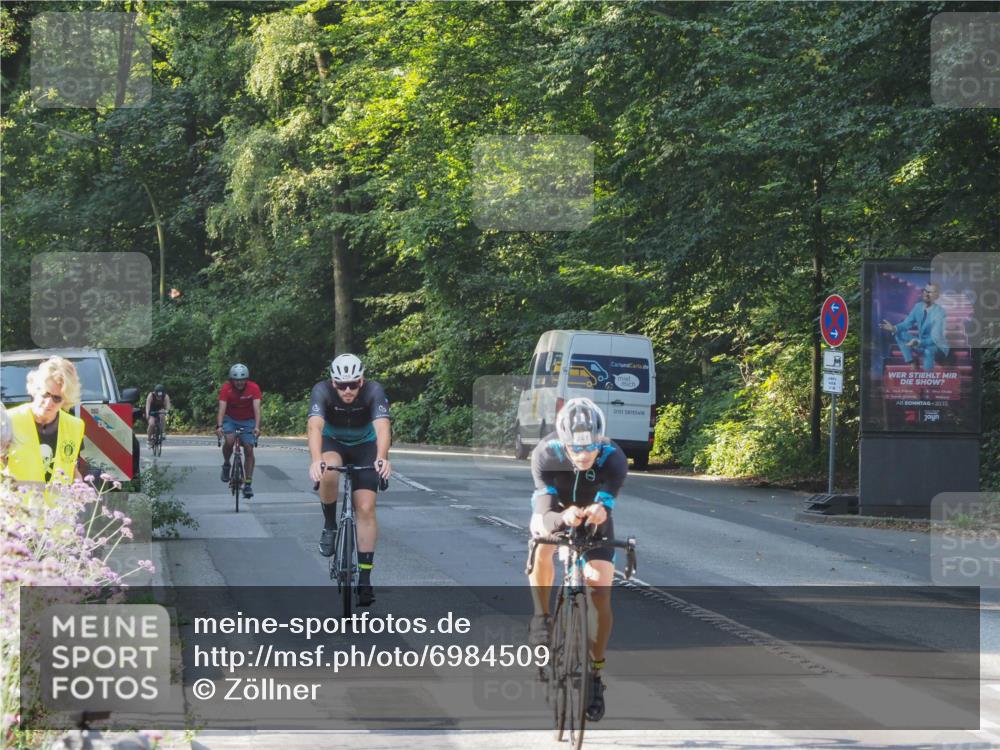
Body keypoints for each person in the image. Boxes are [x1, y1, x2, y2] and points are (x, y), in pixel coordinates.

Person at [526, 397, 627, 723]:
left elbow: (606, 502)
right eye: (575, 449)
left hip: (592, 517)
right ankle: (542, 617)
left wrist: (601, 509)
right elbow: (543, 511)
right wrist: (561, 517)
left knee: (600, 584)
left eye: (590, 448)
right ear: (563, 443)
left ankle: (595, 674)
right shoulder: (546, 453)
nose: (583, 456)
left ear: (601, 441)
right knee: (542, 544)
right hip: (556, 511)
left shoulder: (614, 457)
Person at [307, 353, 391, 607]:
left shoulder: (374, 391)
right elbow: (315, 427)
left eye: (353, 384)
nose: (347, 390)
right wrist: (315, 459)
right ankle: (331, 525)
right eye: (341, 385)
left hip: (365, 445)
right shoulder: (321, 390)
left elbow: (383, 428)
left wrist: (382, 457)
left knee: (365, 507)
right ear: (333, 383)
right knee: (329, 469)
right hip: (334, 443)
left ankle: (365, 578)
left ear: (361, 380)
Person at [5, 357, 85, 488]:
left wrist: (80, 489)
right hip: (17, 506)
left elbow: (73, 469)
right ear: (35, 390)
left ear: (65, 400)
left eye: (57, 398)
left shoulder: (75, 426)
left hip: (58, 507)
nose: (49, 403)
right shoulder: (9, 420)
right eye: (45, 394)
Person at [215, 364, 262, 499]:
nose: (239, 382)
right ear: (231, 380)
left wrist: (257, 427)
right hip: (230, 418)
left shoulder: (254, 388)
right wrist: (219, 426)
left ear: (246, 379)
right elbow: (222, 408)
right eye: (236, 380)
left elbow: (257, 409)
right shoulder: (226, 388)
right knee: (229, 440)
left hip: (248, 420)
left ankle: (248, 484)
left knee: (248, 448)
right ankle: (226, 464)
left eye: (242, 379)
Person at [880, 283, 950, 371]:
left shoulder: (940, 312)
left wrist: (919, 342)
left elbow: (935, 338)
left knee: (928, 351)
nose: (926, 294)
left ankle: (928, 379)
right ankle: (912, 362)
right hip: (921, 343)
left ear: (937, 296)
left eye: (930, 292)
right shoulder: (918, 307)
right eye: (925, 291)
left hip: (937, 346)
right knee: (899, 333)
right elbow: (907, 323)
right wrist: (894, 328)